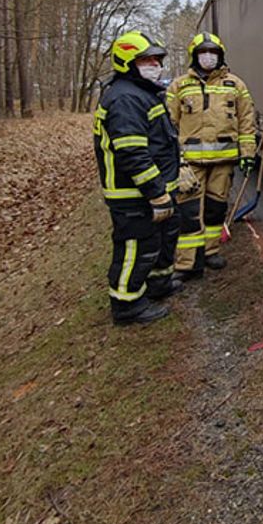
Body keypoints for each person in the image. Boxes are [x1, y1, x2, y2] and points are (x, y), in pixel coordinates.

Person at [93, 31, 183, 325]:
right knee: (136, 247)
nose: (154, 64)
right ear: (127, 62)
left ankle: (157, 286)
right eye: (146, 59)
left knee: (159, 241)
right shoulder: (125, 99)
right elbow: (133, 154)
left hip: (151, 190)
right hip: (133, 194)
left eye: (156, 59)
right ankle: (127, 306)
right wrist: (156, 192)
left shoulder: (140, 92)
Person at [166, 32, 256, 279]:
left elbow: (246, 122)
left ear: (221, 56)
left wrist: (248, 154)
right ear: (194, 56)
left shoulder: (235, 85)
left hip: (223, 163)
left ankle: (211, 251)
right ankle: (186, 264)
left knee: (216, 210)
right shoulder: (179, 86)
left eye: (213, 53)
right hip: (189, 164)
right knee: (189, 213)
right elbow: (167, 125)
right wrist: (173, 160)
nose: (208, 58)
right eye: (204, 53)